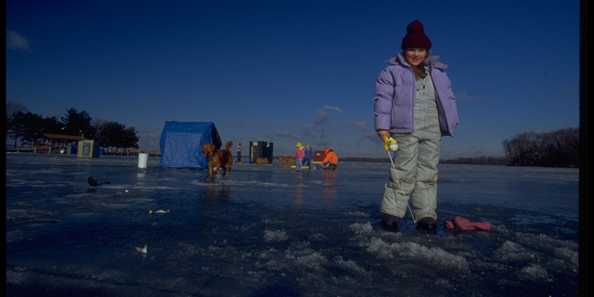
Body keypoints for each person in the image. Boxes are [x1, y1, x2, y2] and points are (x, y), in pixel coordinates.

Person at [373, 20, 460, 233]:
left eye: (420, 49)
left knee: (428, 173)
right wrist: (382, 128)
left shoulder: (438, 74)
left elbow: (449, 99)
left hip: (432, 129)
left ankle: (426, 214)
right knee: (403, 171)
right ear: (404, 50)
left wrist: (451, 121)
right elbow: (383, 100)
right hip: (404, 129)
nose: (416, 54)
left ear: (427, 51)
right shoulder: (392, 72)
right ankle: (392, 213)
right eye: (411, 49)